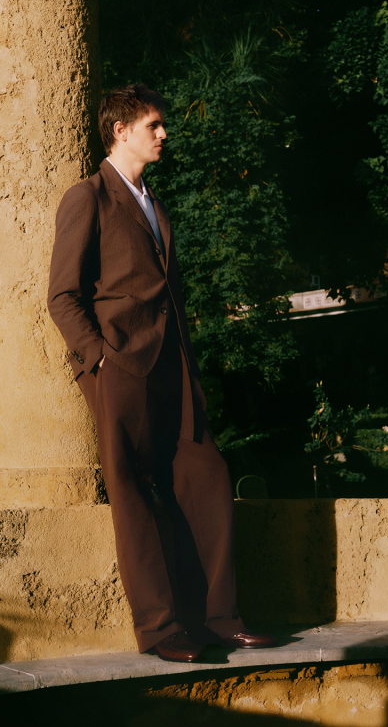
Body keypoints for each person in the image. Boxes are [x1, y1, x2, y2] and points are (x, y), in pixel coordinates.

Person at [48, 83, 276, 662]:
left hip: (173, 366)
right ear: (120, 131)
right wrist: (99, 358)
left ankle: (220, 620)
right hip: (120, 365)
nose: (164, 133)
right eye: (153, 124)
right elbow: (62, 295)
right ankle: (159, 630)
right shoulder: (88, 197)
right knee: (131, 493)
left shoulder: (155, 204)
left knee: (207, 476)